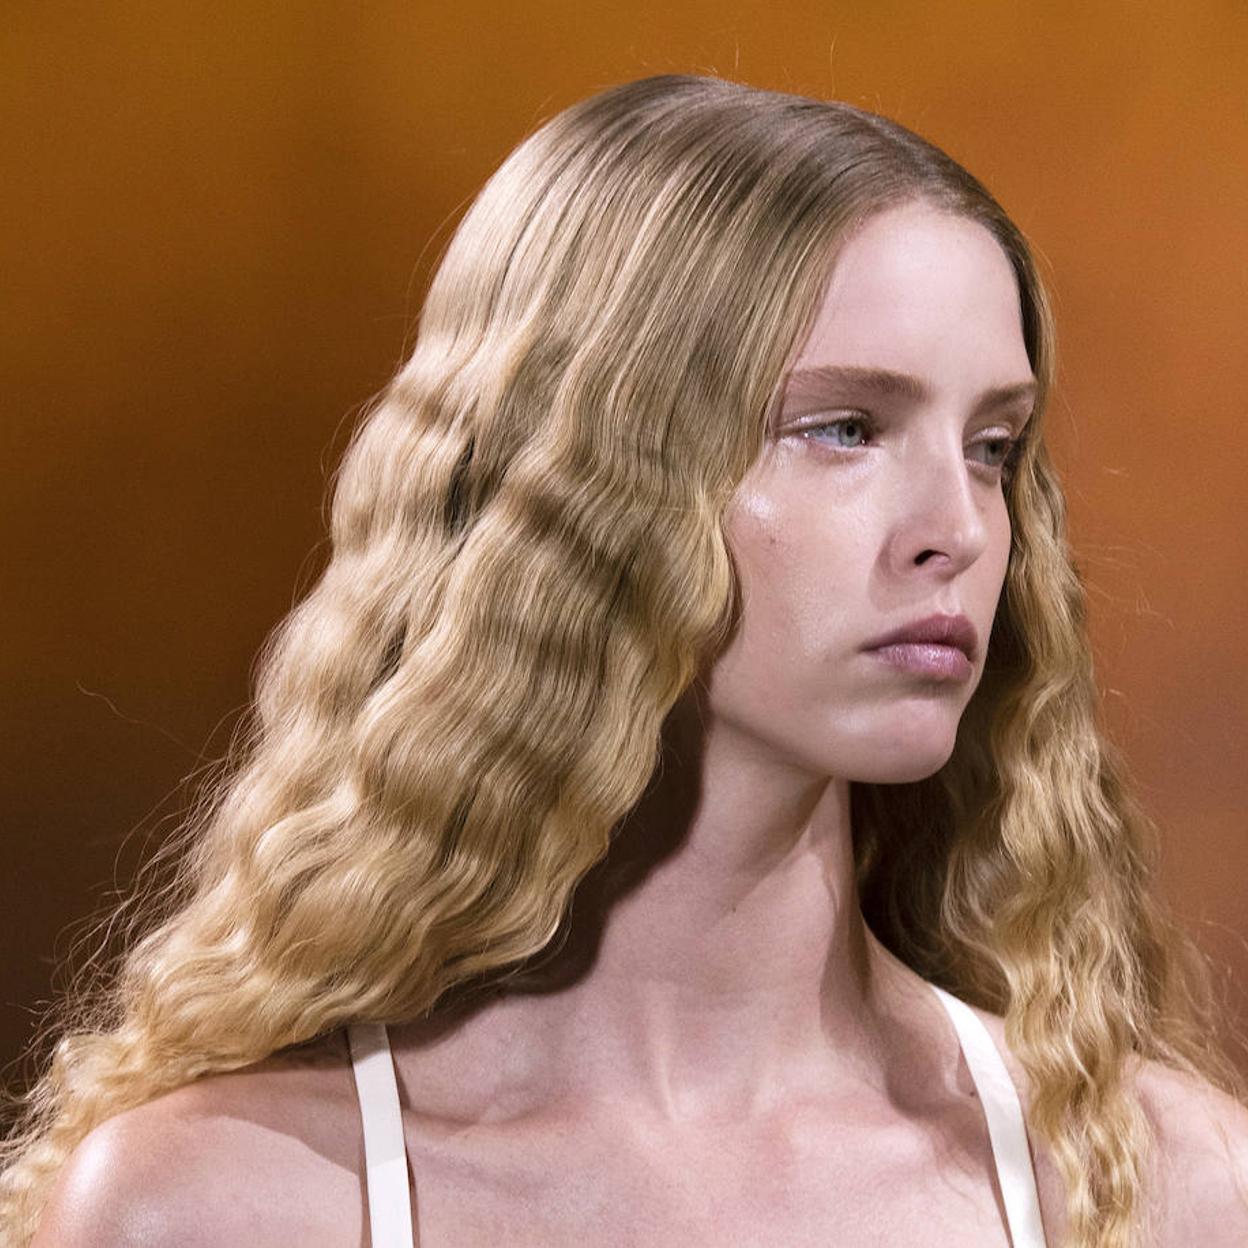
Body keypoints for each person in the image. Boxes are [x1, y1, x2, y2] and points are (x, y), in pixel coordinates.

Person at [4, 73, 1247, 1248]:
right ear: (579, 487)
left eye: (993, 446)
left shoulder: (1148, 1186)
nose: (961, 531)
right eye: (843, 428)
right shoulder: (236, 1207)